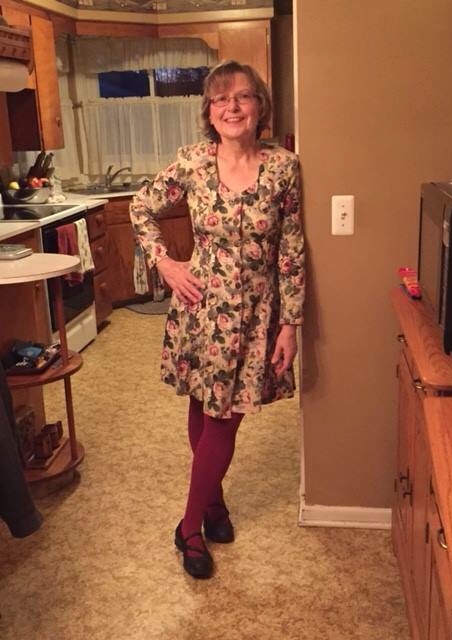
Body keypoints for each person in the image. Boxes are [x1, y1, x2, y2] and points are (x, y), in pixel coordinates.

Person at [130, 60, 305, 579]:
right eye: (221, 99)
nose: (232, 107)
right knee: (205, 405)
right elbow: (141, 207)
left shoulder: (284, 167)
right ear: (209, 112)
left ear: (260, 107)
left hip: (256, 315)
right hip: (201, 308)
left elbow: (291, 249)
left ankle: (194, 518)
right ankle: (203, 515)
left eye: (243, 96)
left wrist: (290, 324)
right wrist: (165, 264)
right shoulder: (192, 162)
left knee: (223, 417)